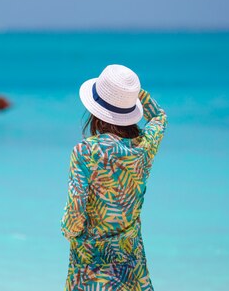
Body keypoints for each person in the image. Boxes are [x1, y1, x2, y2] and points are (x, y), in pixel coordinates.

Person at [61, 64, 167, 291]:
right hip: (132, 264)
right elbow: (159, 117)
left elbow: (74, 218)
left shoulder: (85, 152)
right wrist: (131, 92)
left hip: (90, 265)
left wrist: (68, 232)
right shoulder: (145, 146)